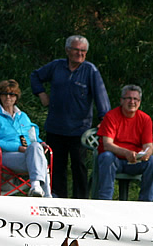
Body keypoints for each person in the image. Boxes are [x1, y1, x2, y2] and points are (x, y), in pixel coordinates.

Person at [30, 35, 110, 199]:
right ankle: (57, 197)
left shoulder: (90, 70)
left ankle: (81, 200)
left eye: (83, 51)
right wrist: (41, 93)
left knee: (79, 166)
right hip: (55, 127)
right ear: (67, 50)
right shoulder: (56, 66)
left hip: (79, 129)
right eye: (76, 50)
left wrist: (104, 120)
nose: (79, 53)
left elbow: (101, 96)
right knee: (56, 165)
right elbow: (35, 76)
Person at [0, 79, 51, 197]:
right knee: (39, 159)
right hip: (4, 155)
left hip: (29, 155)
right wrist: (18, 148)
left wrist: (42, 143)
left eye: (12, 94)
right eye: (4, 94)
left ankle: (36, 187)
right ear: (0, 96)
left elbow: (34, 138)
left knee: (36, 148)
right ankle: (46, 194)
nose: (8, 97)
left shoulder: (23, 116)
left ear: (16, 97)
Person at [96, 84, 153, 201]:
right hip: (115, 160)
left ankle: (146, 203)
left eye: (136, 99)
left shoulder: (145, 119)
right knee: (106, 157)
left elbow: (149, 146)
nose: (132, 102)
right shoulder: (111, 116)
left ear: (139, 102)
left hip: (135, 161)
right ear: (121, 100)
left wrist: (146, 154)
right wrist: (126, 153)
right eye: (128, 98)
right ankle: (105, 201)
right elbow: (107, 144)